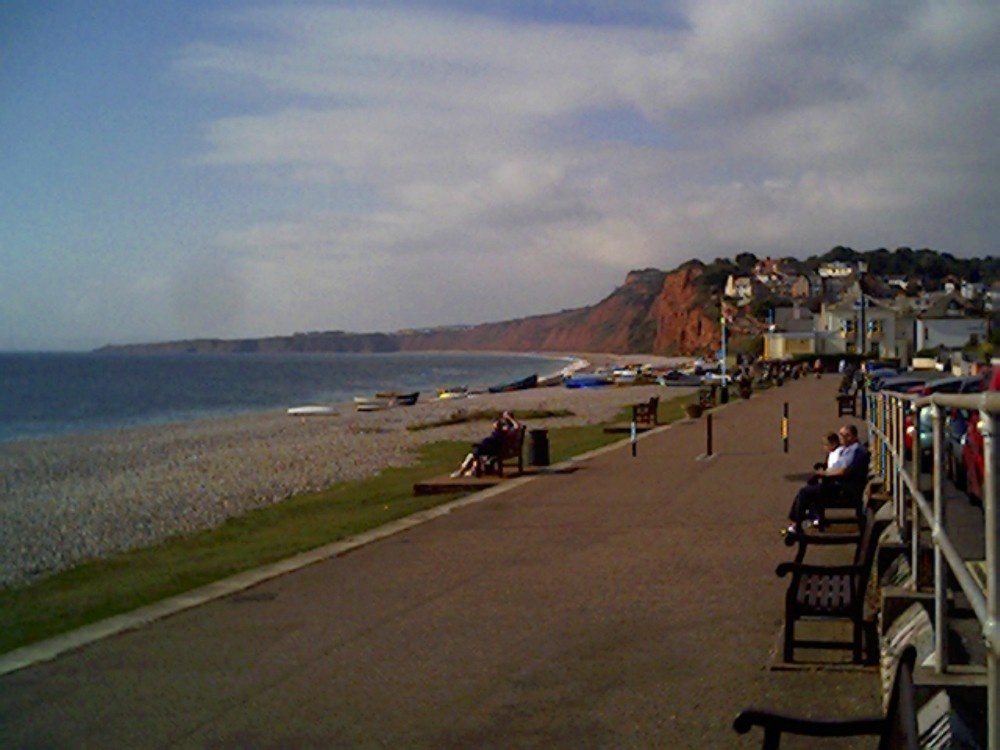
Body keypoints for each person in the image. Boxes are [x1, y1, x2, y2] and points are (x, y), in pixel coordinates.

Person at [785, 424, 867, 532]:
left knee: (805, 492)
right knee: (810, 488)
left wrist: (825, 474)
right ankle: (803, 521)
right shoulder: (850, 449)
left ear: (850, 436)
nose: (840, 437)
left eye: (842, 435)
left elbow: (843, 471)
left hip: (842, 488)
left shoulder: (854, 450)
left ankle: (796, 524)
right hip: (840, 484)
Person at [452, 410, 521, 477]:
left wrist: (509, 419)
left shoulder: (510, 430)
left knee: (475, 452)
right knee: (476, 452)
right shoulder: (503, 430)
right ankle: (472, 468)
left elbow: (516, 426)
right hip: (494, 447)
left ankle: (464, 470)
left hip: (499, 449)